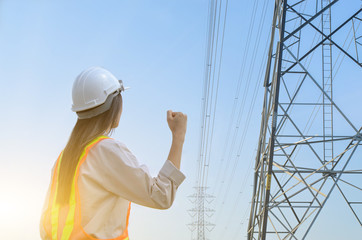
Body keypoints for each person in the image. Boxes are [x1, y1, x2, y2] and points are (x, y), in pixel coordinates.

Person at [39, 66, 187, 240]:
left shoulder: (63, 159)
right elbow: (162, 195)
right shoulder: (105, 151)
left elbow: (46, 229)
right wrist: (178, 137)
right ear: (113, 105)